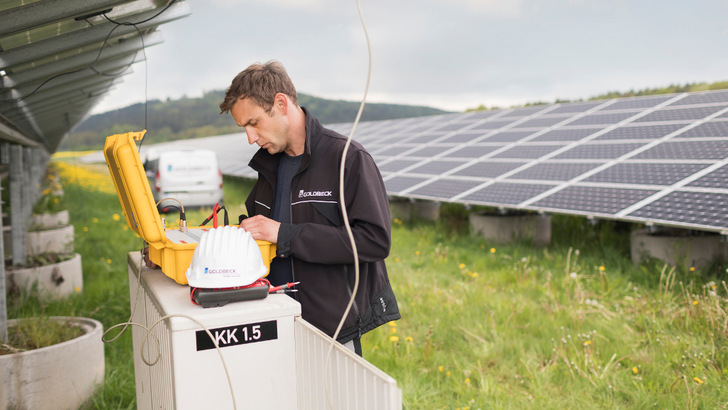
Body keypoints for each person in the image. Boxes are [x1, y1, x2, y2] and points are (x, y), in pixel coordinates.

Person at [218, 61, 400, 356]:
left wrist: (286, 235)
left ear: (280, 103)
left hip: (331, 330)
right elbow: (265, 232)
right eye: (244, 129)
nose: (250, 138)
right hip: (273, 320)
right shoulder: (268, 165)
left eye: (253, 123)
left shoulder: (347, 158)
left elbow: (374, 241)